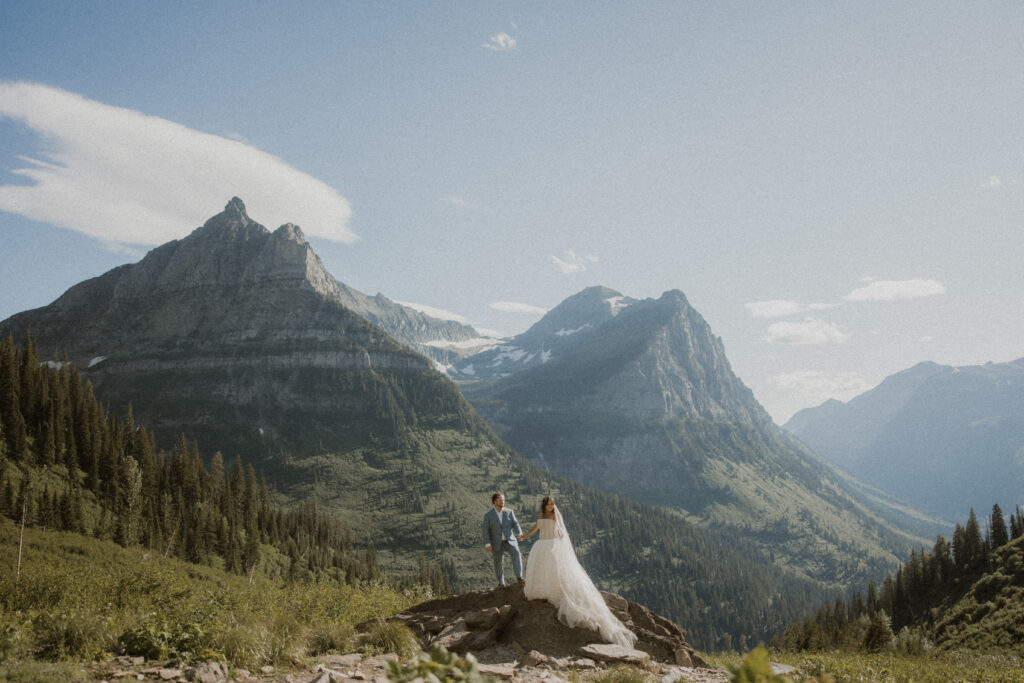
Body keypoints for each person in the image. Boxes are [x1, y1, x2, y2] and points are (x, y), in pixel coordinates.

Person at [519, 496, 637, 648]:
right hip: (541, 544)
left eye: (553, 504)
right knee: (541, 568)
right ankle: (541, 591)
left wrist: (560, 539)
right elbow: (537, 526)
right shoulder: (541, 514)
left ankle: (553, 591)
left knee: (552, 570)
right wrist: (526, 535)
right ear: (544, 505)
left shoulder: (555, 514)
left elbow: (561, 529)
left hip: (552, 544)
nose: (552, 506)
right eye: (549, 504)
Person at [482, 491, 524, 586]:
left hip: (510, 541)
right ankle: (501, 583)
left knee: (516, 553)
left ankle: (519, 577)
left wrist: (519, 533)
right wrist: (487, 543)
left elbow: (515, 524)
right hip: (496, 543)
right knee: (498, 562)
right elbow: (486, 530)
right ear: (495, 501)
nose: (503, 501)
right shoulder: (488, 515)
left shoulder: (509, 512)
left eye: (503, 500)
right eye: (500, 500)